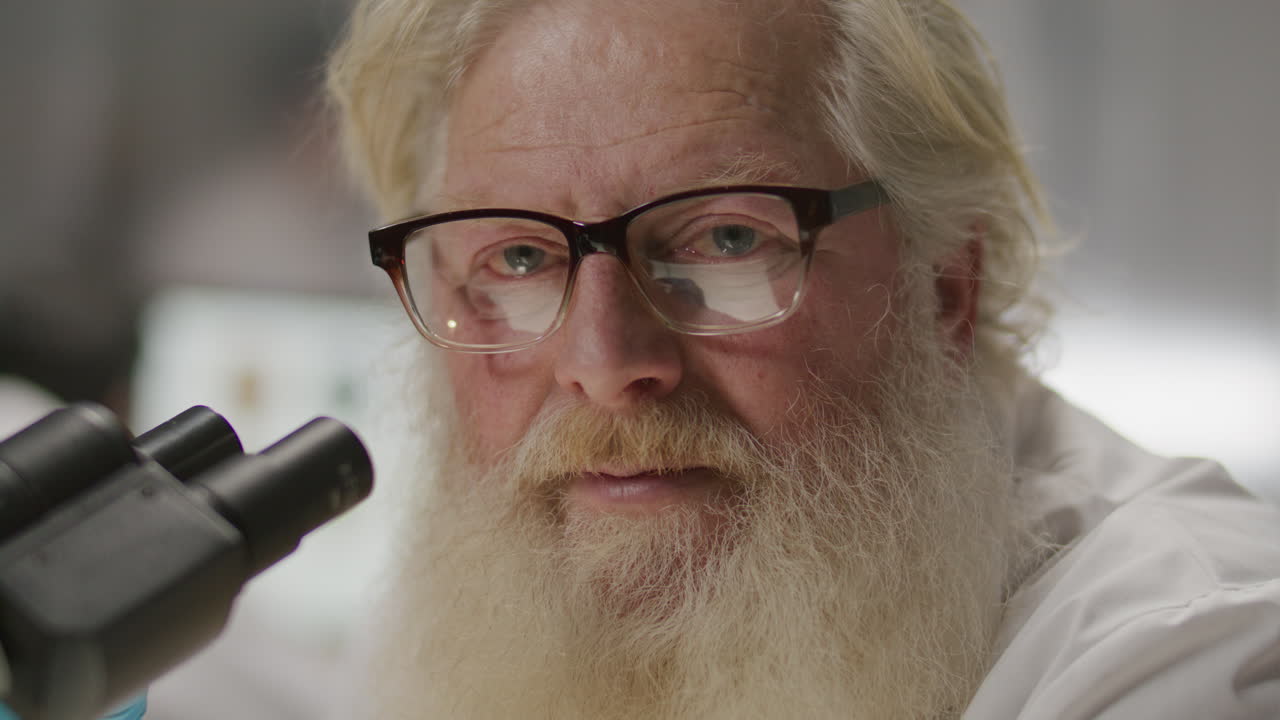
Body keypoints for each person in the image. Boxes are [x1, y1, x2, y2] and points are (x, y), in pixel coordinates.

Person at [325, 0, 1280, 717]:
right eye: (521, 258)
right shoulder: (480, 628)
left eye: (726, 240)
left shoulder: (1192, 653)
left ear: (943, 287)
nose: (606, 362)